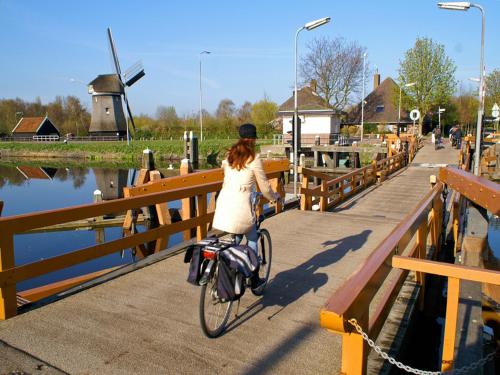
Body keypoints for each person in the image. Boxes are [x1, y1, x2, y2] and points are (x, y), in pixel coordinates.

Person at [212, 123, 280, 288]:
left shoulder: (229, 158)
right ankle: (254, 278)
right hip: (241, 208)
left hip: (223, 207)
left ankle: (229, 272)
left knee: (235, 237)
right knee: (252, 238)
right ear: (253, 140)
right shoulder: (254, 159)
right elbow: (264, 187)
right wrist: (275, 197)